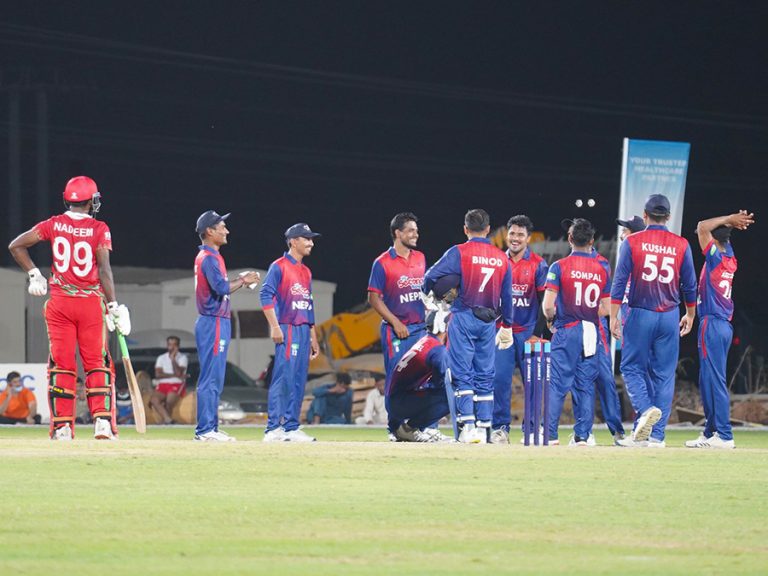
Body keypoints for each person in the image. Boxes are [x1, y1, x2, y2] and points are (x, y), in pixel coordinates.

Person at [8, 176, 130, 440]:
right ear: (92, 201)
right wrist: (113, 304)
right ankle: (102, 422)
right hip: (89, 303)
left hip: (60, 303)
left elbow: (16, 245)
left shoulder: (53, 224)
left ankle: (62, 427)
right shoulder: (99, 228)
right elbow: (104, 270)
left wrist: (34, 274)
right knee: (97, 363)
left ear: (67, 199)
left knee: (61, 365)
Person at [610, 194, 698, 448]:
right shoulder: (682, 244)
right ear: (668, 217)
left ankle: (646, 410)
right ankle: (656, 436)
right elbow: (690, 285)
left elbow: (619, 282)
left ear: (645, 215)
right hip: (670, 315)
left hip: (640, 312)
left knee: (631, 368)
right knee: (664, 375)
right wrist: (690, 314)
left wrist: (613, 316)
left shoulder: (632, 241)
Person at [423, 209, 514, 443]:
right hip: (489, 321)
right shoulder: (502, 257)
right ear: (488, 229)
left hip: (463, 315)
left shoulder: (459, 252)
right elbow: (507, 297)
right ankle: (485, 429)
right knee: (485, 375)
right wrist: (507, 325)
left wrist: (430, 294)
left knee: (462, 374)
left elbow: (430, 277)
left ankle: (469, 427)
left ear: (465, 229)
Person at [685, 210, 754, 449]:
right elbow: (714, 232)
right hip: (721, 324)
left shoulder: (715, 257)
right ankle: (710, 432)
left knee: (715, 380)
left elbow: (702, 225)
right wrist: (731, 225)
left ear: (713, 239)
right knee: (707, 380)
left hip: (713, 323)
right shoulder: (729, 256)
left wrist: (728, 219)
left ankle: (724, 435)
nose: (700, 238)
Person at [193, 210, 261, 442]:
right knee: (211, 377)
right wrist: (243, 280)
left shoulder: (212, 256)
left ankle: (210, 428)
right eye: (222, 227)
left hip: (216, 321)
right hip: (212, 321)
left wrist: (239, 282)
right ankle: (205, 430)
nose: (227, 231)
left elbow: (221, 287)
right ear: (210, 231)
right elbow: (221, 288)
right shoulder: (209, 258)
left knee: (216, 377)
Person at [543, 218, 611, 445]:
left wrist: (552, 319)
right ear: (592, 241)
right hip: (590, 331)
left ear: (570, 238)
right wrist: (587, 313)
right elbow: (606, 308)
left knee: (557, 384)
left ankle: (550, 435)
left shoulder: (559, 266)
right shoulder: (602, 268)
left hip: (567, 329)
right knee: (585, 385)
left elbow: (548, 305)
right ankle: (583, 435)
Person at [490, 215, 548, 444]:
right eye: (512, 233)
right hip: (502, 332)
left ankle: (532, 429)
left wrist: (536, 334)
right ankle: (500, 429)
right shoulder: (497, 261)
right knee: (500, 382)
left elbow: (545, 302)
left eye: (520, 235)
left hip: (527, 333)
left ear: (528, 238)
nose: (515, 238)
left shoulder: (538, 264)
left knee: (533, 384)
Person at [260, 223, 321, 442]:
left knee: (298, 380)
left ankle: (291, 427)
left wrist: (314, 337)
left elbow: (308, 305)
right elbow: (265, 295)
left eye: (311, 239)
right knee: (284, 378)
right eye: (307, 239)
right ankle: (273, 428)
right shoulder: (279, 266)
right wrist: (275, 326)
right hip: (287, 327)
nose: (311, 243)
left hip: (303, 330)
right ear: (294, 241)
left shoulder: (306, 271)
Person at [367, 213, 426, 379]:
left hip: (421, 330)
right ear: (398, 233)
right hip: (397, 331)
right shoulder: (382, 262)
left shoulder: (420, 257)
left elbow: (424, 291)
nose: (416, 234)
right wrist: (396, 323)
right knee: (397, 379)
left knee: (421, 379)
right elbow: (373, 298)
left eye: (416, 231)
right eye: (411, 230)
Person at [386, 311, 454, 442]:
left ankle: (407, 429)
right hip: (400, 402)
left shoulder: (426, 341)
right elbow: (442, 383)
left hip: (396, 400)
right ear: (442, 326)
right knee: (450, 397)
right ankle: (410, 429)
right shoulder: (437, 350)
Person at [150, 335, 188, 424]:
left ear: (178, 346)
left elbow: (178, 372)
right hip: (162, 384)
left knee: (169, 401)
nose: (172, 347)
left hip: (176, 384)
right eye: (170, 344)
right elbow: (158, 375)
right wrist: (174, 375)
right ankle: (168, 420)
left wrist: (173, 360)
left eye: (174, 345)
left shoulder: (183, 358)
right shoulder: (161, 358)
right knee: (154, 400)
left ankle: (165, 422)